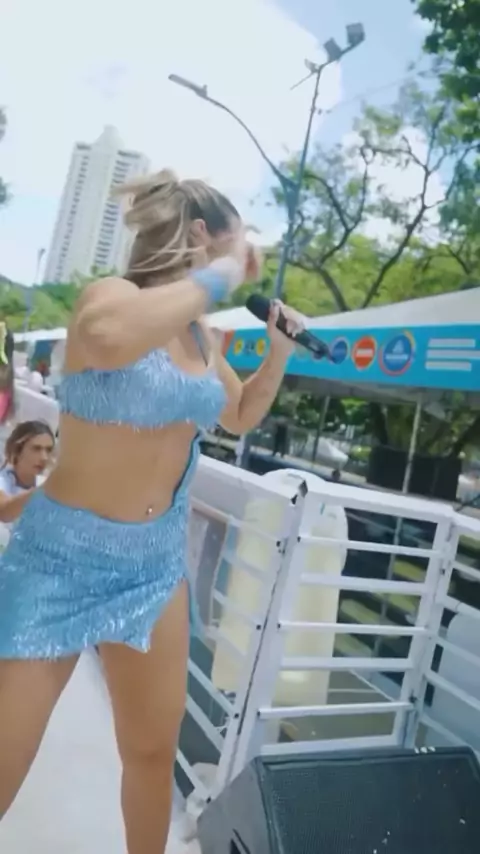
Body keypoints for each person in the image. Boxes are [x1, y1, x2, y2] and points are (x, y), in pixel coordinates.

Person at [0, 169, 304, 854]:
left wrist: (279, 351)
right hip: (58, 561)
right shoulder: (113, 297)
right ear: (200, 237)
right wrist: (224, 274)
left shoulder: (201, 336)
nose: (247, 259)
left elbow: (239, 413)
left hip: (153, 567)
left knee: (148, 751)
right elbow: (109, 337)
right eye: (238, 243)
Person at [0, 420, 55, 525]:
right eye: (36, 449)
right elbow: (3, 511)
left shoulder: (44, 483)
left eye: (48, 450)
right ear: (17, 451)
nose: (44, 457)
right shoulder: (3, 480)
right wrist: (46, 488)